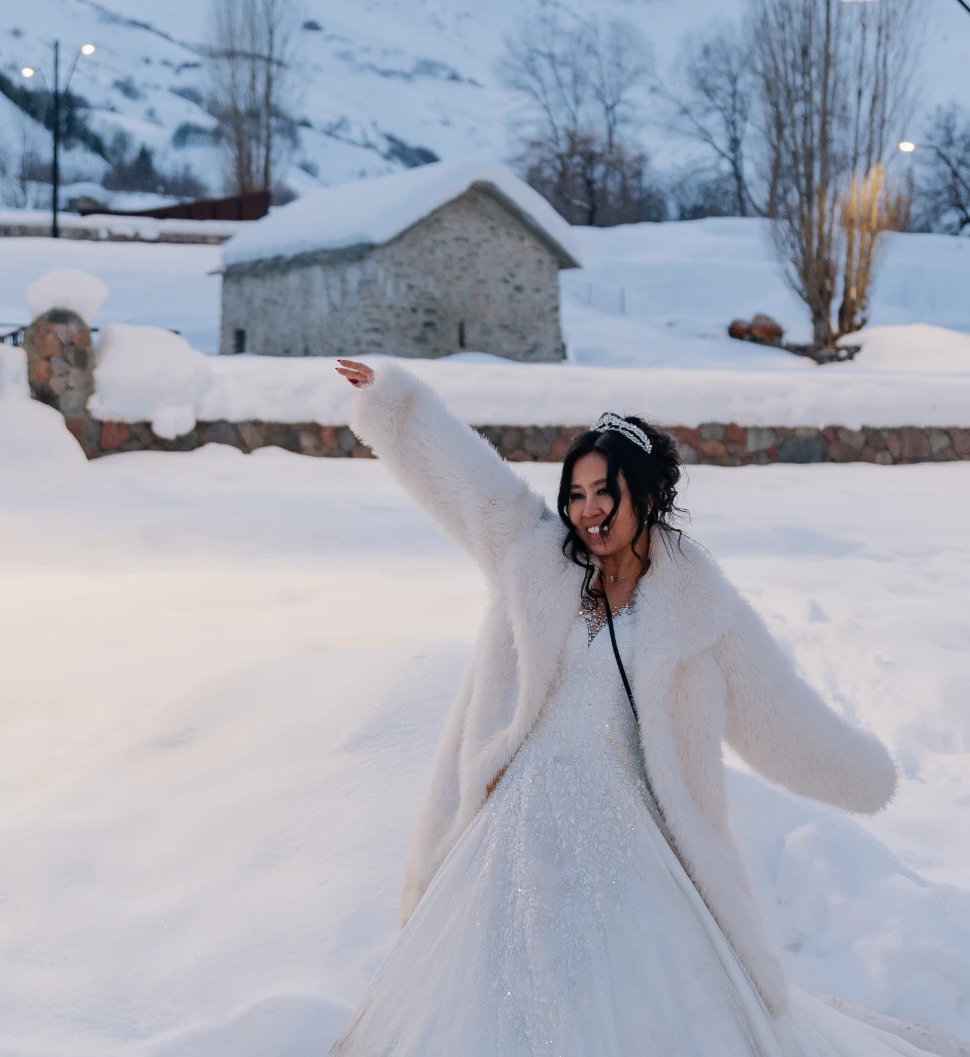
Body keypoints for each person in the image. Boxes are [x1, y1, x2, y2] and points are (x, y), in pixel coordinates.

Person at [328, 358, 935, 1057]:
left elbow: (779, 711)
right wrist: (397, 409)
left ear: (644, 495)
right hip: (513, 830)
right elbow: (470, 485)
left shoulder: (698, 606)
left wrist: (864, 774)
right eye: (577, 492)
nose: (587, 509)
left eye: (605, 491)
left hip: (629, 842)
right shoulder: (536, 558)